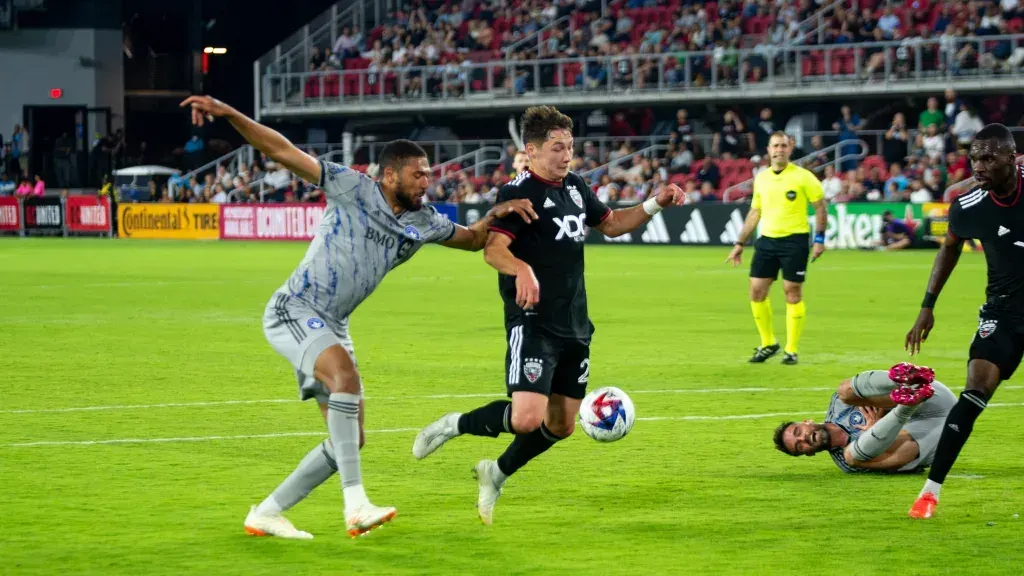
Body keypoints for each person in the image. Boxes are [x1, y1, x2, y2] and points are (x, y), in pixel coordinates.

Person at [179, 95, 537, 540]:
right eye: (418, 173)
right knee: (345, 380)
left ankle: (267, 512)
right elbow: (282, 151)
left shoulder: (423, 220)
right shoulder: (352, 186)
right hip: (296, 308)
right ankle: (356, 506)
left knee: (351, 437)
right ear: (389, 174)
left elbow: (469, 241)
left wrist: (495, 214)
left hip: (335, 324)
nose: (428, 180)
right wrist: (230, 113)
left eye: (429, 172)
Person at [411, 105, 684, 525]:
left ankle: (495, 473)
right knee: (525, 419)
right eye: (558, 148)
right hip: (533, 322)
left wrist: (656, 203)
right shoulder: (517, 194)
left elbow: (610, 225)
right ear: (533, 150)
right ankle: (453, 425)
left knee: (560, 426)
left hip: (576, 324)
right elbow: (493, 250)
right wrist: (521, 269)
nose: (567, 155)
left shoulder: (575, 186)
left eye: (570, 147)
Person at [905, 123, 1024, 519]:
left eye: (988, 157)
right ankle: (930, 492)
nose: (978, 165)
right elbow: (950, 248)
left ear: (1012, 156)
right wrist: (927, 304)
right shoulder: (969, 205)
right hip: (1004, 311)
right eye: (974, 158)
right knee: (975, 388)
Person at [725, 131, 828, 365]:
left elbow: (821, 208)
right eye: (775, 146)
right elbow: (755, 212)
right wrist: (740, 243)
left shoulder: (804, 177)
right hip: (767, 241)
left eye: (783, 146)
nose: (779, 149)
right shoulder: (762, 178)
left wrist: (820, 238)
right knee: (756, 291)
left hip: (795, 240)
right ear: (768, 150)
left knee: (792, 292)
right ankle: (768, 342)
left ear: (790, 149)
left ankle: (791, 350)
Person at [773, 363, 955, 473]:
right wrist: (876, 429)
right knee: (852, 456)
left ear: (807, 422)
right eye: (799, 445)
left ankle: (903, 379)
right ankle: (906, 405)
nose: (803, 438)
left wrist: (883, 405)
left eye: (798, 432)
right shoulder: (847, 464)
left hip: (931, 396)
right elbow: (898, 461)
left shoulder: (839, 406)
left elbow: (871, 393)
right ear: (809, 453)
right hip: (937, 435)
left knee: (844, 391)